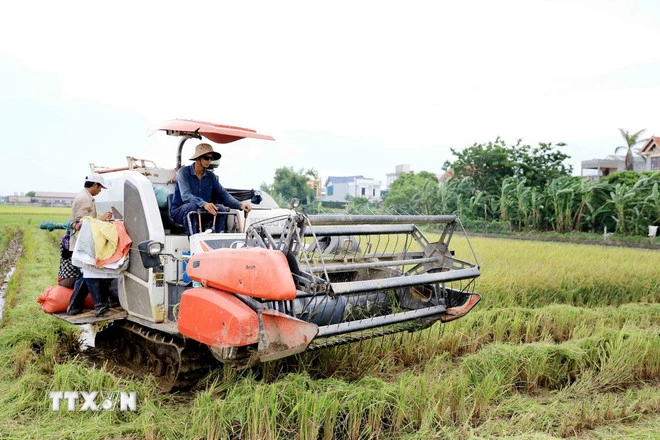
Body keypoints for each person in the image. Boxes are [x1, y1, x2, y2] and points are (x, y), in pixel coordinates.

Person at [170, 143, 252, 235]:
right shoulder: (183, 173)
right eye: (206, 158)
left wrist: (240, 205)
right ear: (198, 158)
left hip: (201, 211)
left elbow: (223, 194)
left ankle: (214, 239)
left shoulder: (211, 176)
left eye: (211, 158)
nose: (209, 161)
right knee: (192, 206)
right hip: (180, 212)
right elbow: (186, 196)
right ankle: (194, 240)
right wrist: (203, 204)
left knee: (221, 209)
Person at [67, 173, 116, 317]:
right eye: (100, 188)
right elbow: (82, 224)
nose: (100, 191)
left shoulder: (86, 197)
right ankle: (100, 306)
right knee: (90, 273)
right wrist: (101, 219)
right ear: (95, 185)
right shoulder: (84, 199)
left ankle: (74, 307)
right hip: (84, 242)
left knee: (85, 274)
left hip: (86, 241)